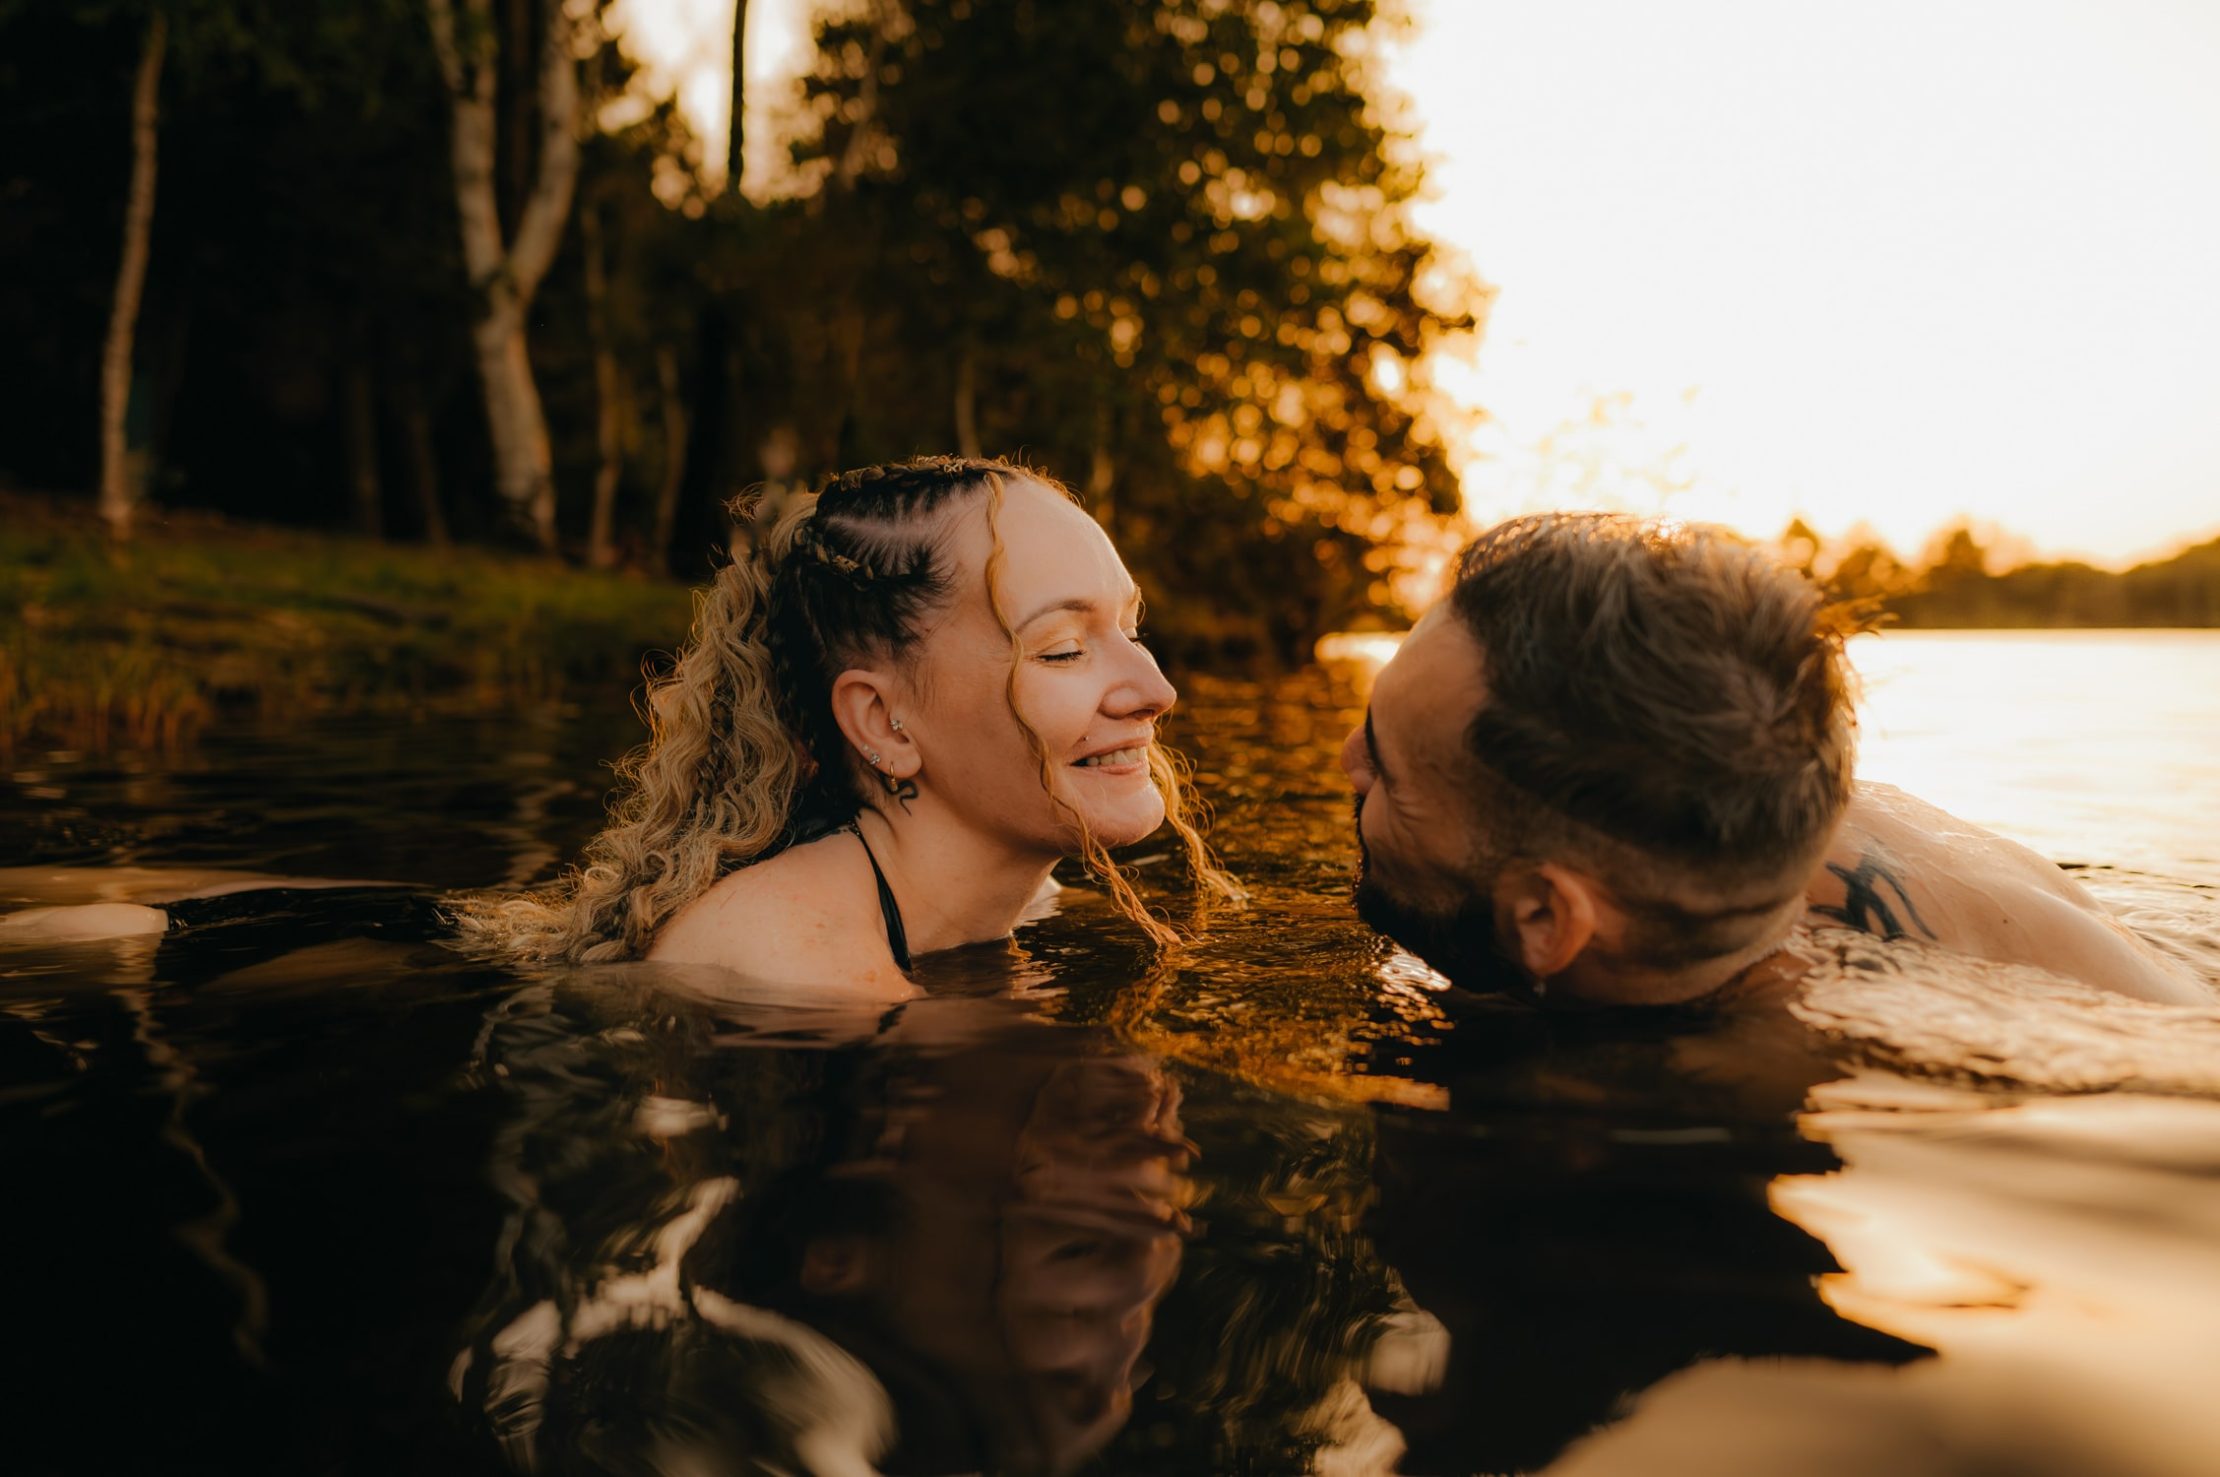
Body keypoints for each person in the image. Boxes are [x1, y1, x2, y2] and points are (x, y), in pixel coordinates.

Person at [1343, 512, 2208, 1009]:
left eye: (1386, 770)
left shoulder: (1773, 1068)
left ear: (1544, 919)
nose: (1348, 762)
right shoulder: (1727, 800)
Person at [458, 455, 1237, 993]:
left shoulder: (1026, 899)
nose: (1156, 688)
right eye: (1063, 649)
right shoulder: (789, 957)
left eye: (1131, 631)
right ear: (885, 724)